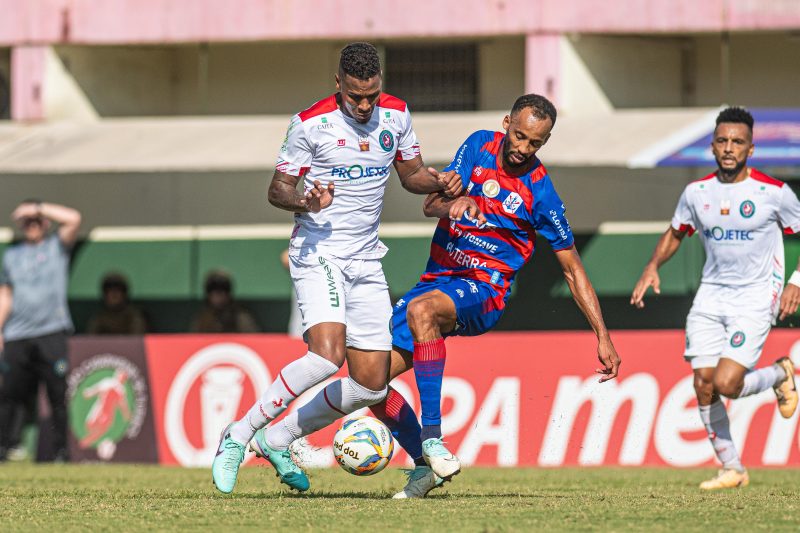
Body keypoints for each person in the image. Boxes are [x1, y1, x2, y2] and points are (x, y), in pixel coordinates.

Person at [211, 42, 462, 494]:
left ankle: (278, 439)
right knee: (327, 355)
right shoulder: (309, 124)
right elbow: (277, 189)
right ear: (338, 85)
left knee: (370, 384)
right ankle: (239, 434)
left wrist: (440, 179)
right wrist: (305, 199)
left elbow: (411, 176)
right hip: (318, 250)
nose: (364, 105)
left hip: (366, 257)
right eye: (354, 96)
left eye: (371, 95)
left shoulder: (398, 114)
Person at [362, 94, 621, 498]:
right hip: (438, 277)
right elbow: (431, 204)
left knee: (422, 310)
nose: (522, 148)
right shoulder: (479, 144)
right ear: (506, 123)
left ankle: (432, 438)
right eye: (519, 136)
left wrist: (602, 336)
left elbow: (572, 270)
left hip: (485, 289)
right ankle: (423, 466)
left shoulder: (541, 193)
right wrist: (455, 203)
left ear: (544, 143)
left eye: (535, 143)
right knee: (369, 382)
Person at [630, 106, 800, 490]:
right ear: (712, 146)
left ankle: (779, 372)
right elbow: (676, 232)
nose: (729, 148)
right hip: (710, 297)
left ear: (751, 149)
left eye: (737, 142)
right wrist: (652, 265)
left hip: (756, 298)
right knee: (703, 383)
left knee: (726, 382)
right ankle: (733, 468)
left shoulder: (774, 193)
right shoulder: (696, 193)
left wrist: (796, 282)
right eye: (722, 141)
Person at [0, 200, 81, 462]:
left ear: (44, 222)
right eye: (27, 222)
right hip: (17, 334)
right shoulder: (12, 255)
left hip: (51, 331)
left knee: (57, 393)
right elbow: (5, 294)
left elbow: (74, 218)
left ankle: (61, 452)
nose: (32, 226)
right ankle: (5, 447)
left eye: (36, 221)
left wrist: (37, 207)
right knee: (11, 394)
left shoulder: (56, 246)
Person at [190, 270, 259, 334]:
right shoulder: (201, 321)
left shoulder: (241, 319)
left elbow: (253, 342)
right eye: (213, 292)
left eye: (223, 291)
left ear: (228, 294)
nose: (218, 296)